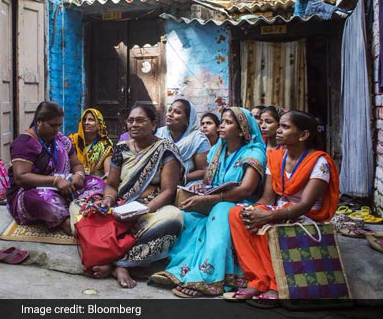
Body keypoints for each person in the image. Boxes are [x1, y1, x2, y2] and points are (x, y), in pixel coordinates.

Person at [150, 107, 266, 298]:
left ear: (241, 130)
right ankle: (181, 271)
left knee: (220, 212)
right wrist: (198, 189)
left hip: (240, 204)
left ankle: (208, 278)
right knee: (187, 218)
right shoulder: (218, 150)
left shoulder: (253, 152)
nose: (222, 126)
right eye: (222, 121)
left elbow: (246, 190)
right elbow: (209, 183)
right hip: (215, 200)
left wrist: (211, 199)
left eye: (228, 122)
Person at [229, 111, 339, 305]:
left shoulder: (319, 162)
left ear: (303, 135)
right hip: (279, 212)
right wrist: (255, 211)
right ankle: (257, 280)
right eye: (279, 126)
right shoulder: (276, 157)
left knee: (268, 223)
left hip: (305, 218)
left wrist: (267, 215)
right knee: (237, 213)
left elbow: (305, 205)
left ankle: (276, 285)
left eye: (286, 127)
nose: (278, 131)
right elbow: (268, 197)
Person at [90, 104, 185, 288]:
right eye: (130, 121)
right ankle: (116, 262)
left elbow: (168, 190)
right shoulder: (120, 148)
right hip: (120, 205)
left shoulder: (165, 150)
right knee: (81, 210)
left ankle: (118, 264)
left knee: (173, 218)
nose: (134, 124)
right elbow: (111, 184)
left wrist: (143, 210)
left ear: (153, 124)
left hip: (151, 210)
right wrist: (108, 200)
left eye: (140, 120)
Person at [7, 102, 105, 235]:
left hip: (65, 186)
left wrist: (79, 175)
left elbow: (76, 164)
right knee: (45, 201)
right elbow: (21, 177)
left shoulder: (60, 139)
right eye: (52, 125)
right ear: (39, 122)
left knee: (97, 183)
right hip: (30, 191)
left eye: (59, 125)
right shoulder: (25, 143)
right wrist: (55, 181)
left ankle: (77, 210)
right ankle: (66, 219)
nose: (57, 129)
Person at [156, 98, 210, 184]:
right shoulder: (158, 134)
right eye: (169, 110)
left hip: (185, 185)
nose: (170, 114)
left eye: (177, 112)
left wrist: (182, 178)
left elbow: (204, 170)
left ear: (188, 119)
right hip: (158, 183)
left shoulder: (197, 140)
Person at [68, 108, 113, 177]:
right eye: (84, 119)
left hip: (94, 182)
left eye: (91, 120)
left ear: (99, 124)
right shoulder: (72, 140)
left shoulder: (105, 145)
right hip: (72, 179)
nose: (86, 123)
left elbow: (108, 173)